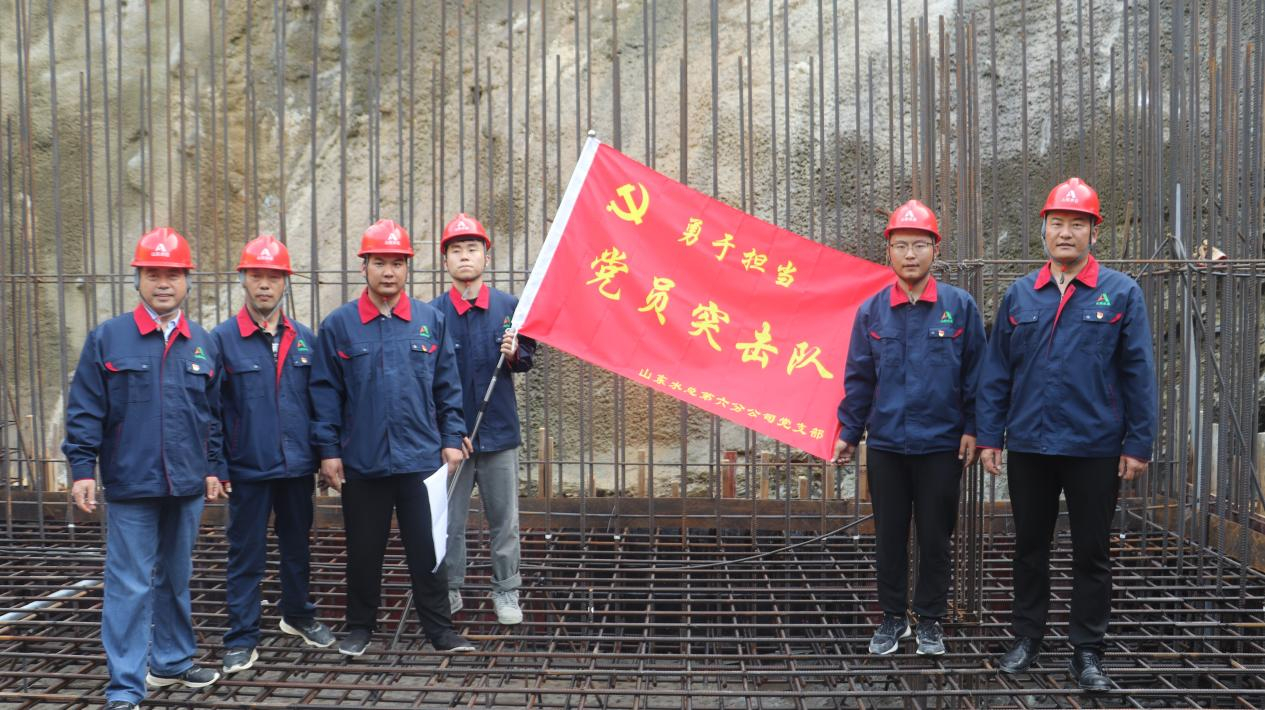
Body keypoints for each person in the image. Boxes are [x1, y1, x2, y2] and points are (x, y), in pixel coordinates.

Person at [977, 178, 1156, 692]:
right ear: (1044, 230)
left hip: (1093, 445)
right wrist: (990, 435)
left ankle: (1087, 650)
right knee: (1029, 546)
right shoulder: (1020, 294)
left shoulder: (1121, 292)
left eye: (1078, 224)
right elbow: (997, 371)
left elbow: (1138, 372)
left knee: (1091, 551)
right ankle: (1027, 637)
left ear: (1094, 233)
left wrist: (1138, 442)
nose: (1066, 233)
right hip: (1030, 444)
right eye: (1057, 223)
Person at [63, 227, 225, 710]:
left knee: (176, 576)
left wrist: (212, 467)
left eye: (173, 274)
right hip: (132, 484)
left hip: (186, 484)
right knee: (130, 585)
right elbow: (85, 409)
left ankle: (171, 661)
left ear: (187, 280)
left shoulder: (202, 343)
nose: (163, 283)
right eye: (153, 273)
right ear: (138, 279)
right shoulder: (109, 339)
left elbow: (214, 415)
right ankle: (125, 687)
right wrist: (82, 469)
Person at [309, 218, 474, 657]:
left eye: (397, 263)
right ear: (363, 266)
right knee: (363, 550)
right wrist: (328, 451)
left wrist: (451, 438)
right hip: (363, 461)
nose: (388, 271)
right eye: (379, 262)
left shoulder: (430, 321)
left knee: (428, 550)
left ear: (407, 268)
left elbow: (447, 387)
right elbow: (325, 394)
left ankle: (440, 631)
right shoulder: (340, 325)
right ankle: (360, 628)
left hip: (420, 459)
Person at [834, 200, 986, 657]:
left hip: (941, 445)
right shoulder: (872, 312)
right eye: (901, 245)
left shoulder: (959, 307)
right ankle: (893, 617)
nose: (910, 255)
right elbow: (860, 378)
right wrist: (849, 432)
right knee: (889, 535)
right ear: (889, 252)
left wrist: (975, 428)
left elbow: (978, 375)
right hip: (887, 444)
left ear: (936, 250)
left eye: (920, 245)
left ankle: (930, 619)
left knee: (936, 536)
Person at [212, 235, 333, 674]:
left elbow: (321, 403)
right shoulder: (222, 340)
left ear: (286, 283)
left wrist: (324, 454)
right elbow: (211, 411)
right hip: (248, 468)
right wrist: (217, 465)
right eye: (257, 276)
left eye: (273, 277)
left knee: (297, 546)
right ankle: (242, 636)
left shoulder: (305, 340)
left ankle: (297, 614)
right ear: (244, 279)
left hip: (296, 466)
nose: (265, 285)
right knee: (247, 553)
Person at [430, 213, 535, 625]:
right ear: (445, 260)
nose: (464, 256)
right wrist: (450, 432)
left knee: (504, 521)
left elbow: (527, 358)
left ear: (486, 257)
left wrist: (513, 353)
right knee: (450, 521)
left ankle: (506, 590)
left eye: (472, 248)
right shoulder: (433, 315)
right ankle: (450, 588)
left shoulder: (510, 309)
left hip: (499, 434)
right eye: (456, 250)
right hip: (453, 441)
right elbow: (429, 380)